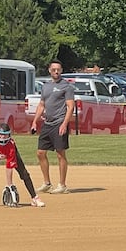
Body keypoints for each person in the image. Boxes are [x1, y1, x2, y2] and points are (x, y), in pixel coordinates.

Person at [0, 122, 45, 208]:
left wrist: (10, 185)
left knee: (24, 174)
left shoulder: (11, 145)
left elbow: (9, 167)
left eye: (5, 135)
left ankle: (35, 198)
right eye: (0, 134)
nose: (2, 137)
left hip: (8, 153)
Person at [32, 60, 75, 194]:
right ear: (49, 70)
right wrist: (35, 121)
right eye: (53, 69)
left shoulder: (66, 86)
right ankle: (47, 183)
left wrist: (64, 124)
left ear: (61, 71)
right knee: (40, 152)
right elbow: (41, 105)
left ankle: (62, 185)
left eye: (58, 69)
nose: (56, 72)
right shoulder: (46, 86)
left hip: (59, 123)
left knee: (60, 154)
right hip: (48, 123)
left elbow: (70, 107)